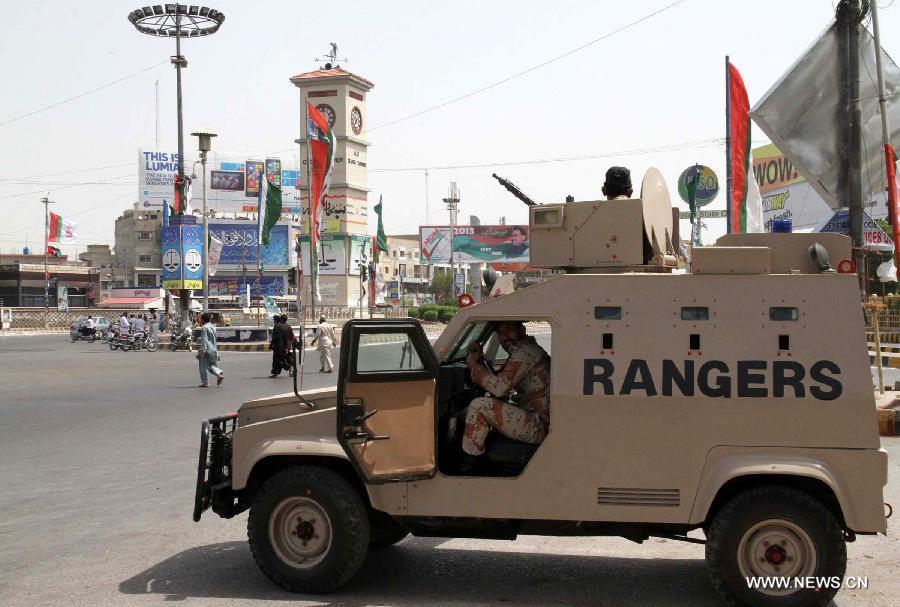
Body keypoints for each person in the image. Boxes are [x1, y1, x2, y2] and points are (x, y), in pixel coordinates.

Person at [460, 321, 551, 469]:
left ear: (522, 330)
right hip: (540, 418)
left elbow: (499, 388)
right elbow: (502, 380)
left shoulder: (525, 352)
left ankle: (469, 465)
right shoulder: (522, 350)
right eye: (501, 333)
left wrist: (473, 366)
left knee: (480, 406)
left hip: (540, 425)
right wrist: (480, 361)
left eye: (509, 330)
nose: (505, 336)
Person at [197, 312, 224, 388]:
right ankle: (218, 374)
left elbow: (205, 339)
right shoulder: (212, 327)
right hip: (213, 348)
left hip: (206, 349)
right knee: (210, 365)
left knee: (203, 366)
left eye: (200, 319)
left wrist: (203, 350)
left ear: (203, 320)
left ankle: (205, 382)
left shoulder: (204, 328)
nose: (200, 321)